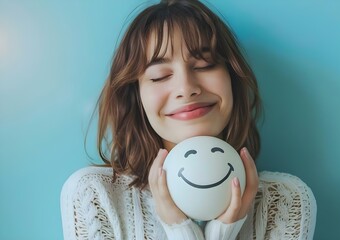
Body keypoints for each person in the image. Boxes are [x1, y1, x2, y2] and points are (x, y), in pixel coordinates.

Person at [61, 0, 316, 239]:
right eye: (160, 75)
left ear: (232, 79)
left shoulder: (285, 200)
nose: (186, 88)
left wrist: (223, 230)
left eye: (204, 64)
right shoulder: (95, 196)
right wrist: (181, 229)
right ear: (137, 97)